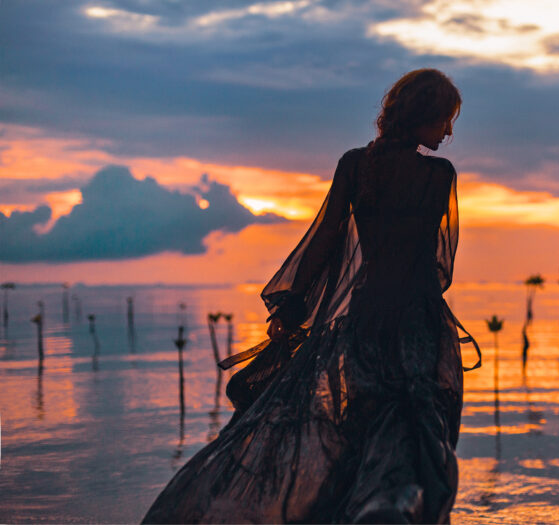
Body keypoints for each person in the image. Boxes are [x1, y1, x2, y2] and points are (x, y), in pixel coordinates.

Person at [142, 68, 481, 524]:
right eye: (445, 118)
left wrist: (291, 306)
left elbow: (322, 239)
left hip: (364, 321)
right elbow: (437, 268)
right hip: (417, 322)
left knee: (363, 431)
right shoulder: (438, 175)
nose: (449, 131)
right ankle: (389, 511)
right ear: (424, 115)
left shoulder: (355, 165)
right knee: (414, 435)